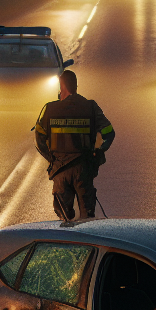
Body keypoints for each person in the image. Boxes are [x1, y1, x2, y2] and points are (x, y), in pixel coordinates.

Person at [33, 69, 115, 220]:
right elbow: (109, 133)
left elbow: (38, 139)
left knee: (64, 220)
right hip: (84, 170)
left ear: (62, 87)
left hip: (60, 171)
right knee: (87, 219)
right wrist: (99, 152)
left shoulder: (49, 109)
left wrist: (52, 159)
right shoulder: (90, 107)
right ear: (76, 86)